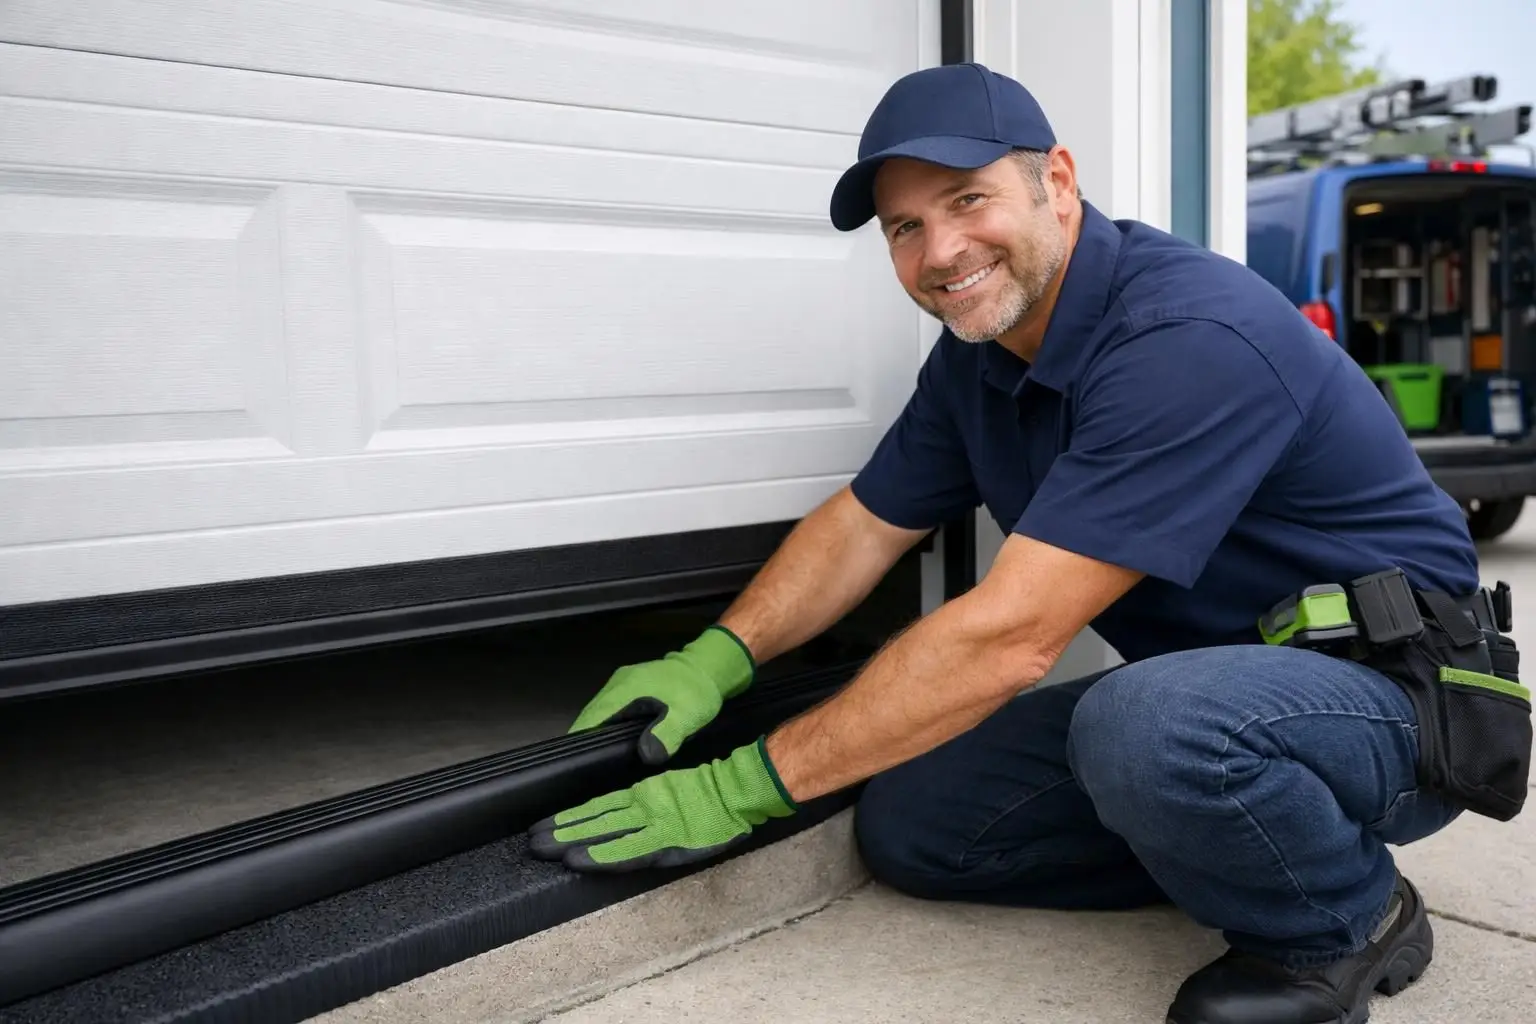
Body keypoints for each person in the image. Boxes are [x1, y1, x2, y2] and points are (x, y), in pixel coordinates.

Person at [528, 63, 1518, 1024]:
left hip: (1403, 699)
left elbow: (1013, 639)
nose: (940, 251)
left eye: (967, 200)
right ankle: (1231, 838)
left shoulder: (1185, 335)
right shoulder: (982, 359)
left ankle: (1346, 916)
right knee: (920, 825)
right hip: (1232, 687)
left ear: (1058, 180)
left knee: (1149, 728)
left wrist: (741, 785)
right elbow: (864, 524)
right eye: (905, 228)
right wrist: (721, 654)